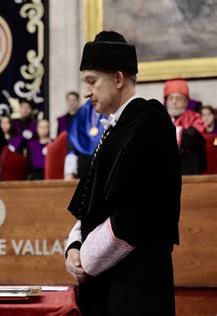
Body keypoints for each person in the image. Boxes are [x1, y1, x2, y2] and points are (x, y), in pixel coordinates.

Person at [64, 31, 181, 316]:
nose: (86, 92)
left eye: (92, 82)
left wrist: (85, 262)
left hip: (136, 285)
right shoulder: (116, 128)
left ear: (117, 79)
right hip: (107, 281)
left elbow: (133, 217)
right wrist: (73, 249)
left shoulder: (149, 121)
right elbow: (91, 202)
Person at [164, 78, 207, 174]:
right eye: (171, 98)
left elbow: (196, 136)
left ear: (186, 102)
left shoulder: (194, 117)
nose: (174, 102)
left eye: (178, 98)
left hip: (188, 169)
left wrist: (177, 132)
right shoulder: (160, 118)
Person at [63, 99, 105, 180]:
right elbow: (73, 143)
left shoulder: (112, 110)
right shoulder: (82, 112)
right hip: (84, 160)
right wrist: (70, 172)